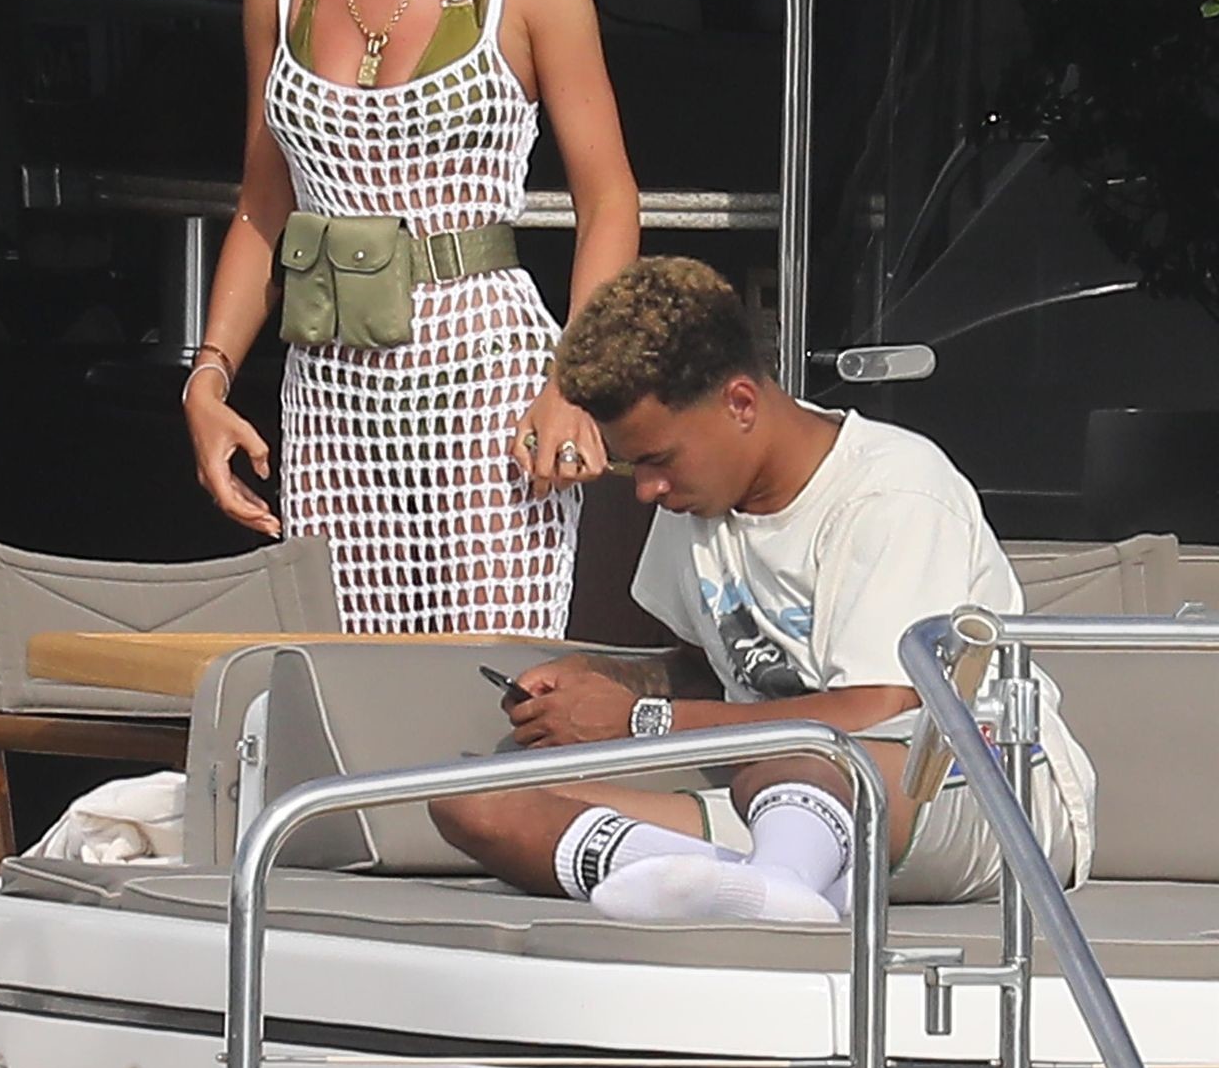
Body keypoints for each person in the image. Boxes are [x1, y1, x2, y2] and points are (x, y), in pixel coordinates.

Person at [431, 257, 1096, 921]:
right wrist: (603, 681)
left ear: (741, 403)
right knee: (472, 801)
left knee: (798, 753)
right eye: (635, 465)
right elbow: (707, 671)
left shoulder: (896, 490)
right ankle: (769, 886)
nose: (647, 490)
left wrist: (638, 721)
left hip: (979, 793)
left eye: (658, 461)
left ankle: (771, 880)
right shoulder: (695, 499)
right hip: (783, 796)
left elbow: (879, 705)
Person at [183, 0, 639, 635]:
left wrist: (573, 383)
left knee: (489, 671)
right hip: (332, 385)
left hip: (487, 372)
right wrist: (209, 375)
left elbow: (608, 202)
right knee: (349, 671)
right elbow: (263, 205)